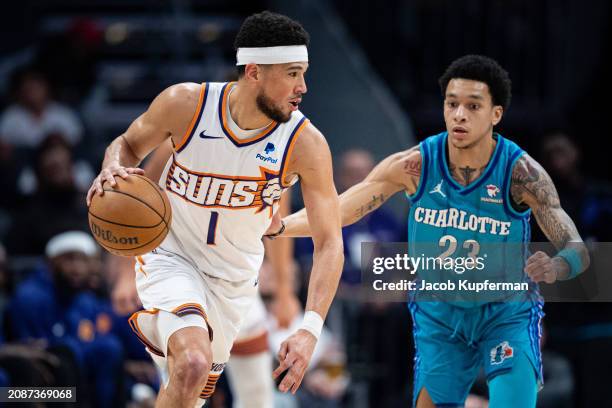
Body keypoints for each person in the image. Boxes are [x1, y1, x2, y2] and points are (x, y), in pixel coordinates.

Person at [272, 55, 590, 407]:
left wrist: (558, 266)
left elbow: (577, 248)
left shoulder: (521, 173)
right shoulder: (415, 164)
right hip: (441, 315)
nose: (459, 115)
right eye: (452, 104)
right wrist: (281, 227)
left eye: (473, 105)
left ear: (495, 114)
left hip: (504, 311)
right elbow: (341, 209)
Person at [87, 11, 343, 408]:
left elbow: (329, 242)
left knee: (193, 391)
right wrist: (112, 167)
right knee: (191, 364)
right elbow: (129, 145)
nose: (303, 87)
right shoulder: (187, 105)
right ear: (254, 71)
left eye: (304, 73)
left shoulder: (304, 144)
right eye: (293, 73)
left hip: (233, 279)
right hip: (170, 257)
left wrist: (308, 327)